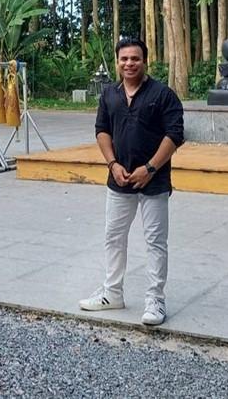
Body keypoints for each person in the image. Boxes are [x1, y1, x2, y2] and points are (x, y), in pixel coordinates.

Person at [79, 37, 184, 326]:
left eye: (134, 58)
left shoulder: (163, 95)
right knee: (113, 237)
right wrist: (112, 164)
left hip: (154, 182)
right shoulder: (109, 94)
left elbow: (175, 135)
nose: (129, 63)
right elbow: (102, 130)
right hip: (119, 181)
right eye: (124, 59)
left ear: (145, 60)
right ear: (117, 61)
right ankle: (112, 293)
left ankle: (155, 300)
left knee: (155, 242)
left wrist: (150, 168)